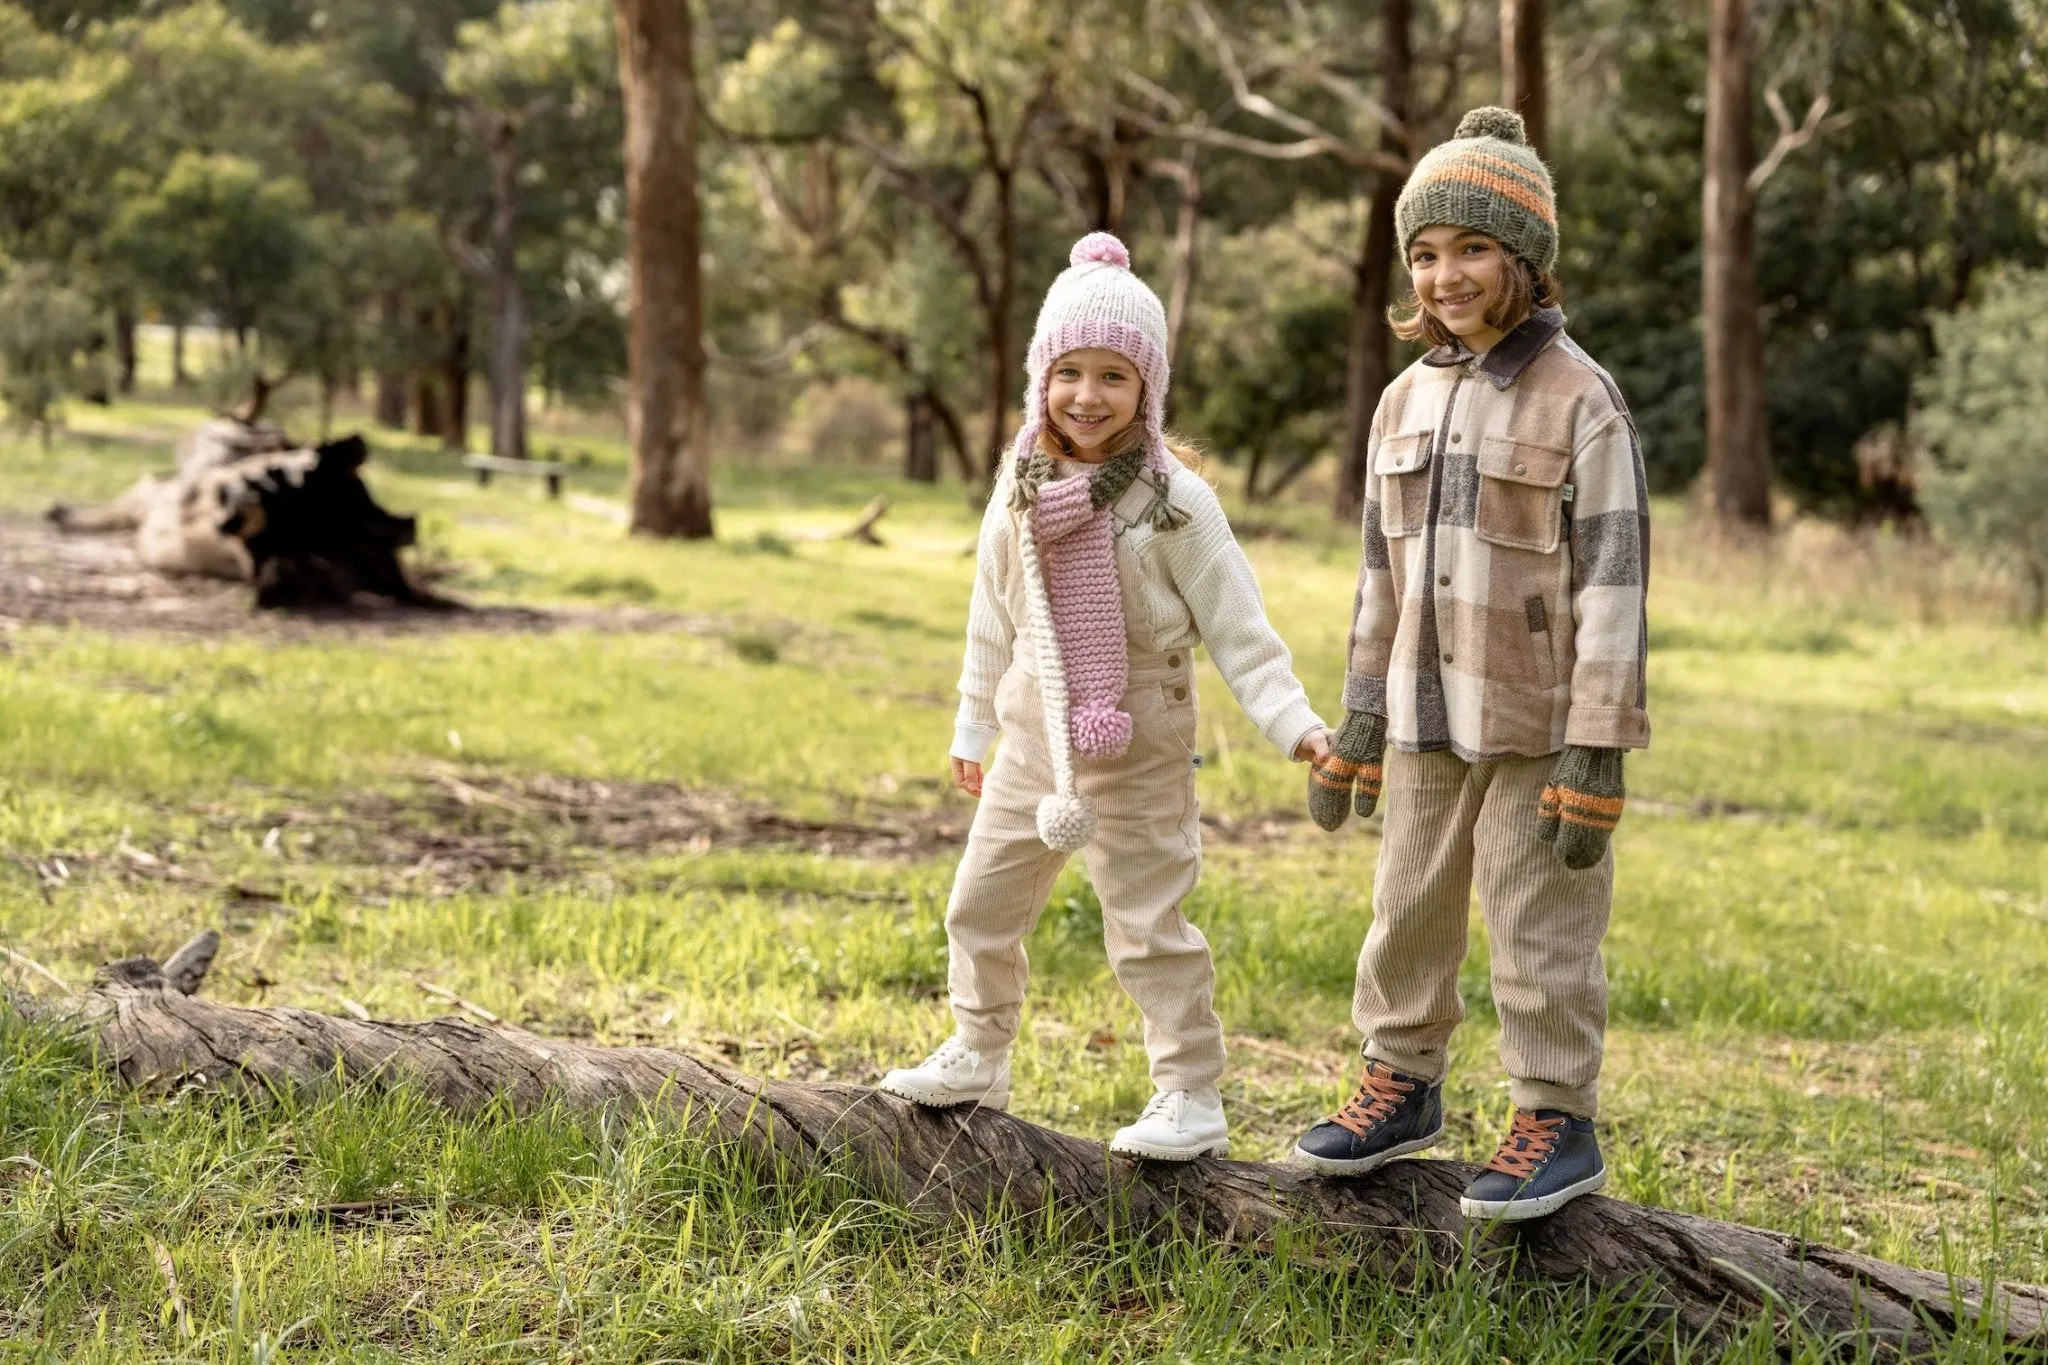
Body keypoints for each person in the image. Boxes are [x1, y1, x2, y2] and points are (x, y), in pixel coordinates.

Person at [880, 232, 1331, 1162]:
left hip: (1143, 730)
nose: (1088, 396)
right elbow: (992, 617)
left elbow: (1243, 632)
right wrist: (972, 723)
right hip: (1033, 730)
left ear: (1148, 389)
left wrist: (1296, 726)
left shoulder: (1175, 503)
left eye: (1114, 377)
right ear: (1042, 376)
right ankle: (978, 1047)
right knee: (980, 901)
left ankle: (1188, 1092)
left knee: (1147, 921)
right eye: (1070, 372)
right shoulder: (1019, 487)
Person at [1291, 107, 1652, 1222]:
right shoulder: (1404, 400)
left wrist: (1594, 749)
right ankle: (1398, 1081)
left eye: (1472, 250)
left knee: (1538, 921)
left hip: (1536, 719)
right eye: (1425, 254)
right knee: (1404, 907)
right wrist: (1357, 719)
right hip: (1416, 713)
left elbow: (1614, 584)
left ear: (1526, 260)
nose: (1445, 276)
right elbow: (1374, 577)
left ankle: (1555, 1114)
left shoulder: (1580, 400)